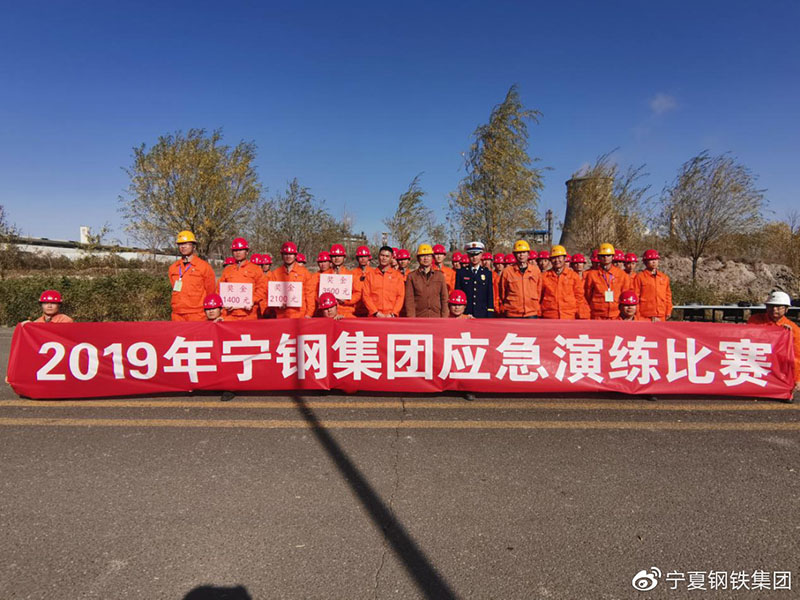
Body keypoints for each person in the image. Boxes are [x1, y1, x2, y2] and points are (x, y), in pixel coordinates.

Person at [748, 291, 800, 396]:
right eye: (771, 306)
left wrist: (797, 379)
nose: (774, 309)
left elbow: (796, 356)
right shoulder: (755, 320)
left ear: (786, 309)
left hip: (778, 365)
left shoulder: (793, 329)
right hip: (757, 360)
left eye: (779, 307)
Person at [168, 230, 216, 322]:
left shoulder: (204, 267)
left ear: (194, 246)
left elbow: (211, 292)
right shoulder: (173, 267)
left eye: (186, 244)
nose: (183, 246)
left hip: (197, 314)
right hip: (177, 314)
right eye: (180, 244)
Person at [218, 237, 268, 321]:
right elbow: (219, 289)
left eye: (241, 250)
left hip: (249, 314)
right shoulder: (227, 270)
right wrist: (224, 303)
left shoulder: (255, 269)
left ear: (247, 252)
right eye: (235, 250)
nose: (238, 252)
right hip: (230, 314)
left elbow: (262, 288)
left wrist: (252, 300)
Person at [264, 241, 315, 318]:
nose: (288, 256)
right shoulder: (275, 273)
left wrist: (309, 314)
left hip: (300, 315)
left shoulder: (304, 272)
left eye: (291, 254)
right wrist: (276, 305)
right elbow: (269, 295)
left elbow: (310, 295)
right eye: (285, 254)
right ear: (282, 256)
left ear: (295, 255)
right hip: (281, 316)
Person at [584, 243, 632, 320]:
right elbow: (587, 295)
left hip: (616, 315)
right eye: (603, 256)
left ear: (613, 256)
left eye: (608, 255)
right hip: (597, 315)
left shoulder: (622, 275)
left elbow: (625, 294)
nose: (605, 258)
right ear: (599, 257)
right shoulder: (592, 275)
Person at [540, 245, 589, 319]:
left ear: (564, 258)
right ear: (550, 260)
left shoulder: (573, 276)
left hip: (569, 316)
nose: (557, 260)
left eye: (559, 257)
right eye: (554, 258)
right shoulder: (544, 277)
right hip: (549, 316)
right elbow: (539, 297)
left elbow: (579, 297)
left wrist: (580, 315)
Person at [498, 240, 541, 318]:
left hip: (531, 312)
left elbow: (539, 290)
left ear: (528, 254)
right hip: (513, 313)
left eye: (524, 252)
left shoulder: (535, 271)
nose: (521, 255)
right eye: (518, 253)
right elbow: (502, 292)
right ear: (514, 254)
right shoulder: (507, 271)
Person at [404, 244, 449, 318]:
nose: (426, 258)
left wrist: (444, 317)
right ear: (418, 258)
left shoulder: (440, 276)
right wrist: (411, 318)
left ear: (432, 258)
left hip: (437, 317)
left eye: (428, 256)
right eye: (422, 256)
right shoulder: (411, 276)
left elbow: (444, 298)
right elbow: (409, 300)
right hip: (419, 317)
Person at [363, 246, 405, 318]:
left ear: (391, 258)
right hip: (374, 316)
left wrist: (393, 313)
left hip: (392, 317)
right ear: (378, 256)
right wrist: (375, 312)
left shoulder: (398, 276)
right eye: (382, 255)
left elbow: (400, 297)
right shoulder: (370, 275)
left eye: (387, 256)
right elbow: (366, 296)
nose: (384, 258)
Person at [456, 241, 495, 318]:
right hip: (466, 312)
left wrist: (490, 312)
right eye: (471, 255)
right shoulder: (461, 273)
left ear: (481, 255)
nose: (474, 257)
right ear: (468, 255)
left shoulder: (487, 273)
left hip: (482, 313)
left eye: (477, 254)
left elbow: (489, 295)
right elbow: (458, 292)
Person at [633, 249, 673, 322]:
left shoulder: (664, 277)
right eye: (651, 260)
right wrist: (637, 313)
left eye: (655, 259)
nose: (654, 262)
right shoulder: (640, 277)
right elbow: (636, 296)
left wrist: (668, 311)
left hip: (661, 315)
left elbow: (668, 296)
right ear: (645, 262)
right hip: (645, 316)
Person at [329, 243, 360, 317]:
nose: (336, 258)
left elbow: (358, 293)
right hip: (329, 313)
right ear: (330, 258)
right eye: (334, 256)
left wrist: (346, 301)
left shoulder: (351, 275)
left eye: (339, 256)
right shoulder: (325, 276)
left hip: (347, 312)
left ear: (344, 258)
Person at [353, 246, 374, 317]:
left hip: (371, 310)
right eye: (360, 257)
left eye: (365, 256)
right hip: (356, 310)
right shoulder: (352, 274)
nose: (363, 259)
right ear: (357, 258)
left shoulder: (374, 273)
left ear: (368, 258)